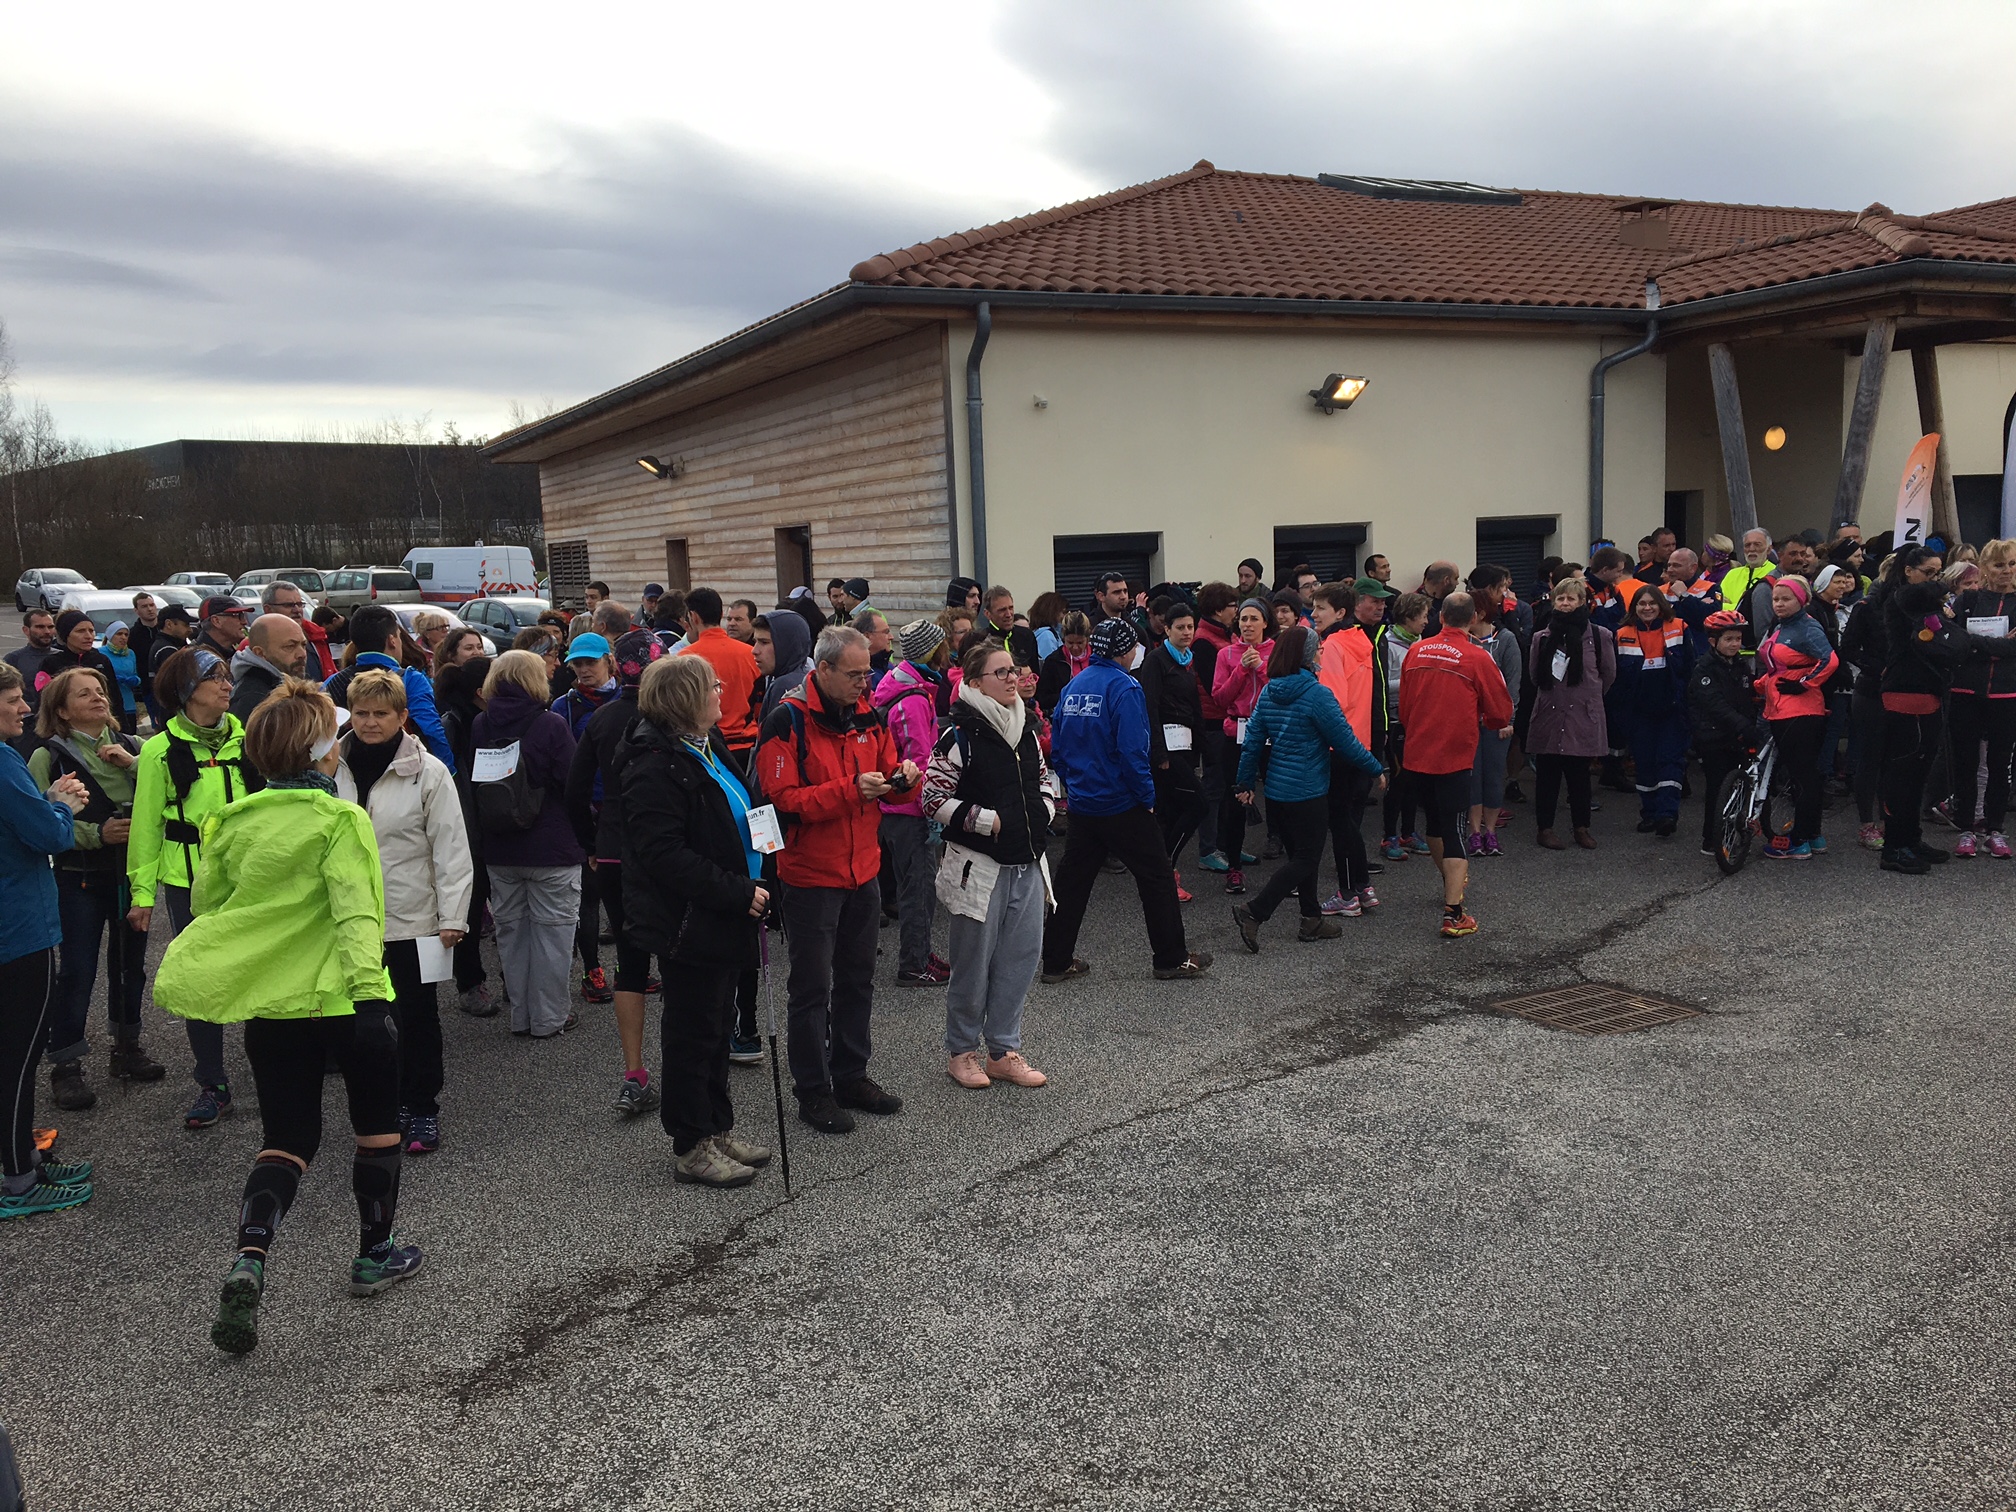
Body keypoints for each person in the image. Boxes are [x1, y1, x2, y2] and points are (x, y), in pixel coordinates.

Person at [151, 679, 419, 1351]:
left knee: (286, 1138)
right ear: (325, 750)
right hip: (344, 999)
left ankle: (250, 1257)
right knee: (377, 1129)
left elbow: (214, 911)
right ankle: (374, 1254)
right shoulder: (339, 820)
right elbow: (358, 915)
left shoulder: (229, 822)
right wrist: (372, 1000)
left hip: (273, 1006)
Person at [618, 656, 774, 1186]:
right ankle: (691, 1144)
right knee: (693, 1031)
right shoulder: (652, 763)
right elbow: (662, 854)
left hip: (731, 906)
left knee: (717, 1025)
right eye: (712, 685)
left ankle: (716, 1127)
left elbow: (743, 808)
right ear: (685, 698)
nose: (720, 690)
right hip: (690, 917)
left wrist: (764, 870)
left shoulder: (707, 743)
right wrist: (736, 890)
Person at [755, 626, 911, 1133]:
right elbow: (781, 801)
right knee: (810, 989)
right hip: (809, 877)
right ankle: (813, 1090)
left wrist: (904, 779)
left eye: (867, 673)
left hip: (863, 871)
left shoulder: (869, 714)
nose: (865, 683)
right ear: (822, 669)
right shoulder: (786, 720)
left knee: (857, 980)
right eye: (855, 674)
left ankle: (851, 1075)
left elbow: (887, 775)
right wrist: (851, 790)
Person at [334, 669, 472, 1157]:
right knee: (364, 1021)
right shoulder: (332, 767)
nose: (369, 722)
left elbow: (451, 847)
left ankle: (422, 1106)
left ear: (402, 716)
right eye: (361, 712)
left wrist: (453, 916)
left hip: (414, 917)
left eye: (381, 713)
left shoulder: (427, 771)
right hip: (350, 919)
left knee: (416, 1018)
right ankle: (385, 1105)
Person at [1041, 618, 1212, 983]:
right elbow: (1134, 751)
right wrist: (1147, 797)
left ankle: (1055, 961)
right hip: (1121, 802)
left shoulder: (1073, 686)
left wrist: (1073, 787)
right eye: (1134, 645)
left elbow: (1058, 749)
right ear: (1125, 650)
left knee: (1071, 883)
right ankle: (1171, 957)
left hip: (1083, 802)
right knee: (1157, 877)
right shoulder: (1125, 687)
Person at [128, 645, 255, 1128]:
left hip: (249, 875)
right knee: (202, 977)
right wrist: (142, 895)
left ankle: (277, 1062)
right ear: (185, 691)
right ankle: (212, 1083)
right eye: (214, 677)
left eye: (226, 676)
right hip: (189, 882)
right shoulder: (159, 751)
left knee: (261, 965)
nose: (227, 684)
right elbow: (145, 828)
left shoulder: (248, 739)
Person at [29, 667, 163, 1114]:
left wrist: (135, 764)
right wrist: (96, 834)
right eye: (84, 694)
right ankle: (65, 1066)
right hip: (78, 877)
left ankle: (127, 1047)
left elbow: (167, 791)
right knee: (77, 970)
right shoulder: (47, 757)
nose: (98, 697)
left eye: (100, 690)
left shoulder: (135, 747)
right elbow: (36, 823)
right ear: (62, 710)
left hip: (131, 875)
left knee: (131, 966)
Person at [924, 639, 1053, 1090]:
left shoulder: (1026, 730)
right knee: (973, 964)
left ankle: (1002, 1051)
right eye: (1001, 672)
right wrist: (987, 821)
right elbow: (932, 797)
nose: (1013, 678)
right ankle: (962, 1052)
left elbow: (1043, 779)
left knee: (1020, 959)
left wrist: (1045, 810)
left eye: (1013, 670)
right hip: (978, 870)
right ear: (975, 683)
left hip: (1028, 864)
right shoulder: (958, 736)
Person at [0, 662, 94, 1220]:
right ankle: (19, 1178)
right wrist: (60, 803)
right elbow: (47, 833)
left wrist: (43, 801)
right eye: (12, 699)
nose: (23, 707)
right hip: (18, 931)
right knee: (17, 1057)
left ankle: (24, 1160)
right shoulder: (3, 761)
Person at [566, 628, 669, 1112]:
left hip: (612, 849)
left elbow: (574, 791)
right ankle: (684, 1064)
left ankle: (635, 1071)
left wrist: (589, 843)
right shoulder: (672, 716)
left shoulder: (602, 718)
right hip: (666, 850)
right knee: (677, 956)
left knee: (630, 960)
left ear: (615, 665)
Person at [1231, 628, 1384, 950]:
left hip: (1277, 791)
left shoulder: (1270, 692)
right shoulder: (1317, 694)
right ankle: (1254, 911)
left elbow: (1253, 742)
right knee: (1306, 859)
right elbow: (1345, 741)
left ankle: (1311, 918)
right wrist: (1375, 768)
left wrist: (1244, 782)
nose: (1321, 653)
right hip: (1308, 789)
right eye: (1317, 649)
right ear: (1305, 655)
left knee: (1300, 856)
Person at [471, 650, 585, 1038]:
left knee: (512, 936)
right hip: (551, 847)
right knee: (553, 937)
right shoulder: (550, 724)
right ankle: (549, 1018)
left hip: (500, 849)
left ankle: (521, 1015)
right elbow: (572, 783)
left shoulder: (481, 724)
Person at [1398, 594, 1512, 937]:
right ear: (1474, 618)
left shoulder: (1416, 651)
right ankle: (1454, 913)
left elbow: (1404, 707)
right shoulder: (1478, 657)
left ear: (1441, 616)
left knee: (1435, 824)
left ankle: (1451, 883)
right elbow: (1500, 712)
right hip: (1454, 756)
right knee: (1454, 829)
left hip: (1417, 754)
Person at [873, 619, 951, 986]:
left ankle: (919, 953)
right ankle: (914, 964)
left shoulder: (901, 686)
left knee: (913, 885)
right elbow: (919, 761)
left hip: (896, 807)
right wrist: (933, 808)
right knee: (918, 889)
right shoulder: (915, 700)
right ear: (933, 652)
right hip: (910, 809)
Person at [1878, 548, 1964, 873]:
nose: (1934, 579)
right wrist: (1947, 584)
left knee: (1918, 775)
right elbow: (1919, 594)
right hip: (1904, 693)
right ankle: (1894, 847)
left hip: (1930, 692)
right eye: (1928, 572)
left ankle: (1911, 838)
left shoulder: (1928, 604)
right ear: (1909, 570)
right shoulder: (1900, 598)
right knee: (1901, 775)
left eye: (1938, 572)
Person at [1527, 577, 1616, 851]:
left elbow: (1608, 674)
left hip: (1582, 715)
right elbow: (1534, 675)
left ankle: (1581, 828)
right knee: (1547, 778)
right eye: (1561, 598)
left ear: (1582, 603)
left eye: (1571, 599)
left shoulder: (1600, 636)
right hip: (1550, 714)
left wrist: (1588, 697)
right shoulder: (1541, 638)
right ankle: (1545, 829)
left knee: (1579, 778)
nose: (1565, 603)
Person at [553, 632, 617, 1003]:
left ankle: (631, 966)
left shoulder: (630, 699)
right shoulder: (564, 706)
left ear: (609, 661)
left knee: (627, 893)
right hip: (586, 811)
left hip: (622, 809)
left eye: (590, 662)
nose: (584, 670)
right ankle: (592, 970)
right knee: (589, 896)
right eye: (577, 663)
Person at [1755, 576, 1838, 860]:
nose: (1778, 604)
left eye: (1786, 599)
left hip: (1799, 710)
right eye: (1775, 599)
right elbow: (1779, 667)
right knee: (1805, 774)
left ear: (1801, 600)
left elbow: (1830, 660)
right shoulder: (1782, 626)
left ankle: (1800, 840)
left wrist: (1805, 683)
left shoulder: (1806, 626)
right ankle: (1813, 836)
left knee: (1802, 775)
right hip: (1781, 707)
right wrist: (1761, 686)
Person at [1944, 539, 2016, 857]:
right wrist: (1995, 645)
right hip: (1966, 692)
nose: (2006, 571)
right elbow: (1955, 641)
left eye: (2012, 564)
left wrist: (1976, 643)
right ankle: (1966, 829)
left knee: (2000, 764)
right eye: (1999, 565)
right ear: (1985, 568)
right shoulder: (1969, 600)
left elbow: (2011, 649)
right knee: (1966, 763)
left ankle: (1995, 829)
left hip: (2006, 693)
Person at [433, 653, 495, 1014]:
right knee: (469, 909)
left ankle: (513, 982)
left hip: (494, 824)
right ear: (480, 690)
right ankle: (470, 984)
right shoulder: (455, 723)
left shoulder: (492, 719)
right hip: (467, 829)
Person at [323, 605, 456, 771]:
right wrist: (448, 770)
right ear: (392, 640)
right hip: (402, 771)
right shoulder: (410, 679)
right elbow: (430, 729)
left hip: (344, 770)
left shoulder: (331, 683)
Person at [1137, 600, 1205, 900]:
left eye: (1190, 627)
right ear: (1167, 629)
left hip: (1186, 746)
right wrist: (1159, 752)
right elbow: (1149, 706)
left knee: (1172, 810)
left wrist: (1201, 747)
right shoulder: (1156, 661)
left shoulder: (1188, 660)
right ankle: (1165, 866)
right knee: (1198, 804)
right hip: (1166, 749)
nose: (1187, 632)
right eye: (1180, 627)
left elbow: (1193, 705)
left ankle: (1161, 876)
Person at [1612, 584, 1693, 837]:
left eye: (1652, 603)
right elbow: (1616, 679)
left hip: (1672, 709)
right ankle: (1650, 814)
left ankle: (1667, 814)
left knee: (1670, 761)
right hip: (1638, 712)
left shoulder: (1679, 627)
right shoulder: (1621, 634)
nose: (1647, 608)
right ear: (1634, 607)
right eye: (1642, 604)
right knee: (1645, 764)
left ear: (1661, 605)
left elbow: (1690, 669)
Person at [1210, 598, 1275, 894]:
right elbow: (1220, 698)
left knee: (1279, 799)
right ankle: (1234, 867)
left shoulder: (1276, 650)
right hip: (1236, 732)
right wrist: (1241, 670)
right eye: (1243, 619)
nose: (1247, 624)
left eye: (1253, 619)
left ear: (1265, 623)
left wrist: (1260, 667)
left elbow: (1281, 690)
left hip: (1270, 732)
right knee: (1235, 801)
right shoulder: (1226, 654)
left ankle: (1290, 869)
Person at [1688, 612, 1761, 856]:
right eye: (1728, 639)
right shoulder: (1704, 669)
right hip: (1712, 737)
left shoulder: (1740, 666)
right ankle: (1711, 838)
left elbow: (1747, 697)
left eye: (1738, 639)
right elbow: (1714, 705)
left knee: (1737, 786)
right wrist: (1742, 725)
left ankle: (1732, 831)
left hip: (1736, 736)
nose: (1734, 644)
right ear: (1713, 641)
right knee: (1717, 788)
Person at [1463, 586, 1523, 853]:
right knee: (1472, 777)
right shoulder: (1462, 640)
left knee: (1494, 776)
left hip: (1497, 722)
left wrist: (1508, 719)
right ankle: (1474, 832)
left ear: (1479, 613)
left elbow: (1513, 683)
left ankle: (1491, 831)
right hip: (1468, 722)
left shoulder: (1506, 639)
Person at [1190, 582, 1240, 874]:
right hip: (1214, 723)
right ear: (1219, 610)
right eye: (1233, 606)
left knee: (1229, 786)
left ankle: (1228, 844)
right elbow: (1214, 688)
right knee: (1214, 786)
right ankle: (1208, 849)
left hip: (1228, 720)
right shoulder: (1204, 642)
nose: (1237, 611)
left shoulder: (1225, 635)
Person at [1378, 592, 1432, 859]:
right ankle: (1389, 836)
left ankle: (1408, 833)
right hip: (1395, 720)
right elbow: (1381, 684)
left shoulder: (1419, 641)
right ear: (1408, 617)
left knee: (1414, 779)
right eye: (1423, 616)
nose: (1426, 621)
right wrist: (1413, 678)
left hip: (1417, 719)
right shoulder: (1387, 644)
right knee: (1399, 779)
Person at [681, 588, 760, 766]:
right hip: (748, 744)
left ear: (693, 617)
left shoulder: (685, 660)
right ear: (722, 614)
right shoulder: (752, 654)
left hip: (708, 748)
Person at [228, 613, 309, 723]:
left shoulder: (278, 685)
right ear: (260, 653)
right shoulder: (254, 699)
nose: (302, 654)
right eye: (290, 646)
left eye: (303, 645)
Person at [35, 610, 117, 705]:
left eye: (91, 631)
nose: (88, 636)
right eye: (81, 631)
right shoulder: (51, 663)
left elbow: (114, 697)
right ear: (66, 635)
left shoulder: (102, 660)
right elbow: (42, 700)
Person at [259, 580, 333, 678]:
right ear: (268, 610)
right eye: (289, 605)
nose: (297, 610)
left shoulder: (317, 637)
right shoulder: (256, 644)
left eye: (300, 604)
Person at [1035, 611, 1092, 717]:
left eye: (1080, 643)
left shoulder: (1097, 658)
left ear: (1087, 638)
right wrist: (1067, 695)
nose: (1075, 648)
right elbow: (1042, 698)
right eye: (1070, 642)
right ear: (1063, 637)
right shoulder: (1054, 661)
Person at [5, 610, 57, 726]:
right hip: (27, 723)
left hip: (60, 722)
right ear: (26, 630)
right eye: (40, 627)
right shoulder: (13, 660)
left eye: (50, 627)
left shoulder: (63, 657)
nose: (47, 631)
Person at [979, 586, 1041, 670]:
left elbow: (1036, 673)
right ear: (987, 614)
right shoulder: (981, 640)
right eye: (1002, 610)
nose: (1008, 614)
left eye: (1011, 608)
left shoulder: (1026, 636)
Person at [100, 621, 141, 734]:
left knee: (130, 737)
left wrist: (135, 680)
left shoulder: (130, 653)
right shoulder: (100, 653)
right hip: (111, 704)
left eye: (126, 634)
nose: (123, 637)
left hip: (129, 704)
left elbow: (136, 674)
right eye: (119, 634)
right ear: (110, 635)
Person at [192, 596, 249, 661]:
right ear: (216, 621)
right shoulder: (197, 660)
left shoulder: (229, 654)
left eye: (243, 615)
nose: (244, 622)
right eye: (237, 615)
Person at [853, 609, 894, 687]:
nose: (891, 637)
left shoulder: (888, 665)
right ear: (867, 636)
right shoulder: (860, 676)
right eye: (886, 632)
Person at [1027, 591, 1069, 662]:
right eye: (1063, 612)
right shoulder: (1047, 636)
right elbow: (1052, 664)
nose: (1065, 616)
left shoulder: (1046, 634)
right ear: (1052, 612)